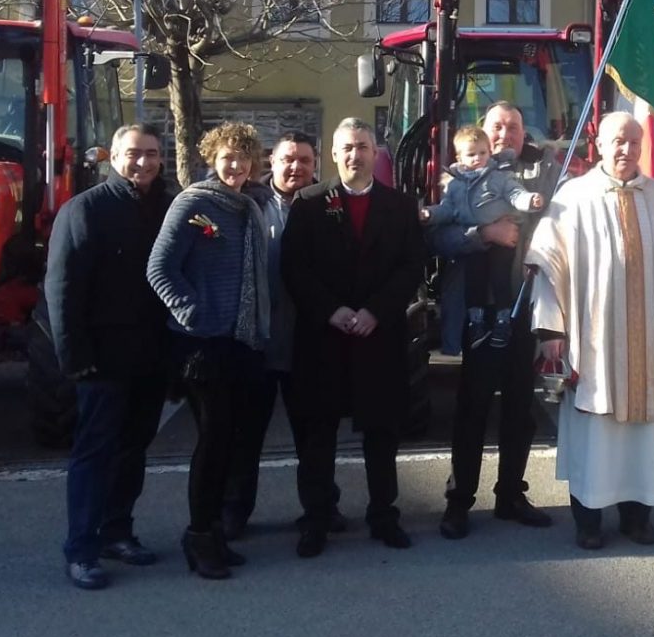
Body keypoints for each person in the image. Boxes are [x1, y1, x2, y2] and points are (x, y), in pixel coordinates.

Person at [526, 112, 654, 550]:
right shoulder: (572, 197)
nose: (627, 150)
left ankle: (638, 519)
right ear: (599, 144)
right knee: (594, 439)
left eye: (634, 143)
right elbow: (547, 265)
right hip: (592, 341)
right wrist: (551, 331)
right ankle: (589, 522)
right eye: (618, 141)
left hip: (648, 340)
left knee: (640, 438)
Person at [281, 117, 426, 559]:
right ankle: (317, 519)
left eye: (362, 146)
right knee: (318, 437)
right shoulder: (308, 203)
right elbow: (294, 269)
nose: (354, 155)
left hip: (378, 338)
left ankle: (384, 515)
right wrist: (333, 311)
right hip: (324, 339)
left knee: (381, 435)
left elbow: (411, 268)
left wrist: (375, 312)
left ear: (373, 152)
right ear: (333, 153)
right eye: (346, 147)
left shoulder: (400, 206)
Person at [45, 124, 173, 590]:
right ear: (113, 157)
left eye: (152, 154)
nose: (143, 163)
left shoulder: (167, 206)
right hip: (101, 359)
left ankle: (118, 531)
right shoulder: (85, 210)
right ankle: (81, 549)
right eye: (134, 154)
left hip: (151, 356)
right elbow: (62, 290)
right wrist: (73, 358)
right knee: (94, 454)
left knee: (133, 450)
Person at [147, 121, 271, 580]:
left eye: (243, 156)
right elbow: (159, 268)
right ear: (211, 159)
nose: (235, 164)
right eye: (227, 156)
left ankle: (214, 532)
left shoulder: (249, 207)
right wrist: (193, 312)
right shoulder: (194, 202)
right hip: (203, 345)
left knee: (230, 443)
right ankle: (200, 534)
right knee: (213, 440)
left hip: (242, 342)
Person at [432, 101, 557, 541]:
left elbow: (560, 229)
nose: (505, 135)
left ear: (525, 134)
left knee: (521, 411)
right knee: (472, 408)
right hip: (477, 311)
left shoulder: (545, 173)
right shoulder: (458, 177)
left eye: (514, 127)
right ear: (483, 135)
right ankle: (460, 500)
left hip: (526, 307)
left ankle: (511, 495)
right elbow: (439, 237)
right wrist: (483, 235)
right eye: (497, 127)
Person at [221, 132, 346, 539]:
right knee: (244, 436)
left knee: (313, 435)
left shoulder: (330, 208)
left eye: (305, 161)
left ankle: (321, 507)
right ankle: (234, 512)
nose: (297, 168)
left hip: (306, 342)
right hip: (255, 342)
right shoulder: (246, 204)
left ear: (316, 165)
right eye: (289, 160)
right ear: (272, 161)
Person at [422, 126, 544, 349]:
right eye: (471, 155)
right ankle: (476, 321)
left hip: (504, 242)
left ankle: (502, 319)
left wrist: (530, 200)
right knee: (475, 280)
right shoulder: (454, 186)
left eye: (482, 153)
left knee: (500, 277)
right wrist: (429, 214)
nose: (478, 159)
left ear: (489, 153)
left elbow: (515, 193)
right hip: (474, 243)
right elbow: (447, 210)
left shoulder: (499, 177)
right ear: (459, 158)